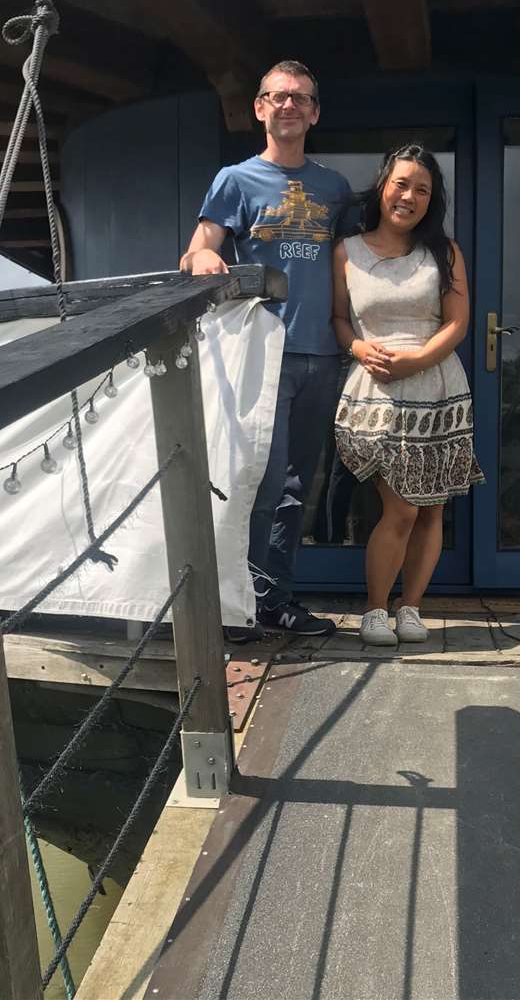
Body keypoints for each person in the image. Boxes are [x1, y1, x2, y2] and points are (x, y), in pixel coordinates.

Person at [180, 61, 351, 636]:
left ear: (315, 113)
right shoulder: (235, 179)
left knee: (300, 485)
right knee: (262, 478)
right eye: (278, 97)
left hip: (323, 355)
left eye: (301, 98)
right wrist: (204, 257)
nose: (289, 106)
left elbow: (354, 263)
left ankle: (276, 602)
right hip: (262, 354)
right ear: (259, 107)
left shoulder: (334, 188)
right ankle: (240, 606)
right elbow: (200, 246)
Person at [331, 144, 485, 646]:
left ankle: (411, 608)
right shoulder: (347, 251)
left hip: (438, 386)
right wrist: (356, 345)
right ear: (382, 187)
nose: (410, 196)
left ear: (431, 200)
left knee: (431, 506)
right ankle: (376, 610)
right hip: (375, 390)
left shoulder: (445, 251)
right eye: (402, 184)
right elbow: (338, 319)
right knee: (399, 507)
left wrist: (418, 360)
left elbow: (458, 322)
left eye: (423, 189)